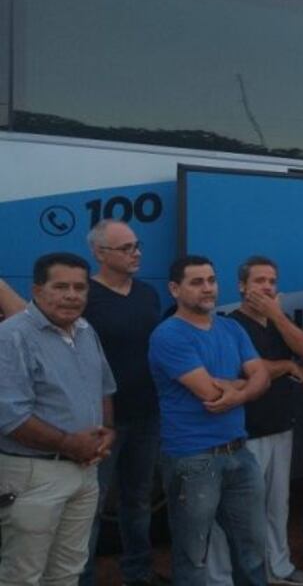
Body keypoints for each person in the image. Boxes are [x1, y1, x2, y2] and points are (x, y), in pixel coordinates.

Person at [148, 255, 271, 585]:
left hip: (239, 452)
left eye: (212, 280)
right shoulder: (169, 335)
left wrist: (238, 393)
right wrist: (244, 385)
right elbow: (209, 392)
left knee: (253, 551)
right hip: (193, 458)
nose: (208, 288)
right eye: (197, 282)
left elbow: (262, 376)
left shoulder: (231, 327)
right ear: (175, 289)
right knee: (193, 557)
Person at [0, 252, 116, 585]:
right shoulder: (12, 336)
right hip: (34, 475)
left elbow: (104, 388)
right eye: (61, 287)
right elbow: (10, 416)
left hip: (85, 470)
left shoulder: (85, 330)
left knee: (68, 571)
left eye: (79, 288)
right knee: (23, 575)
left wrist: (107, 431)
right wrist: (69, 443)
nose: (71, 295)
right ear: (37, 290)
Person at [207, 257, 303, 586]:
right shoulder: (230, 324)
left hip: (281, 424)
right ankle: (221, 577)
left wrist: (277, 315)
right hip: (245, 430)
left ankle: (277, 568)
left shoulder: (278, 320)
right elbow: (248, 369)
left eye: (271, 281)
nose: (267, 287)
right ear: (242, 286)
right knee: (235, 509)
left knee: (277, 505)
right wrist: (287, 366)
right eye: (259, 281)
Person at [79, 220, 165, 586]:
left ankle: (138, 572)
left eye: (137, 245)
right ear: (99, 253)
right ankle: (82, 578)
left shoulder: (147, 294)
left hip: (147, 415)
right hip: (100, 421)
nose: (137, 253)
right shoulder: (84, 297)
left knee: (138, 500)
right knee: (90, 506)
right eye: (126, 248)